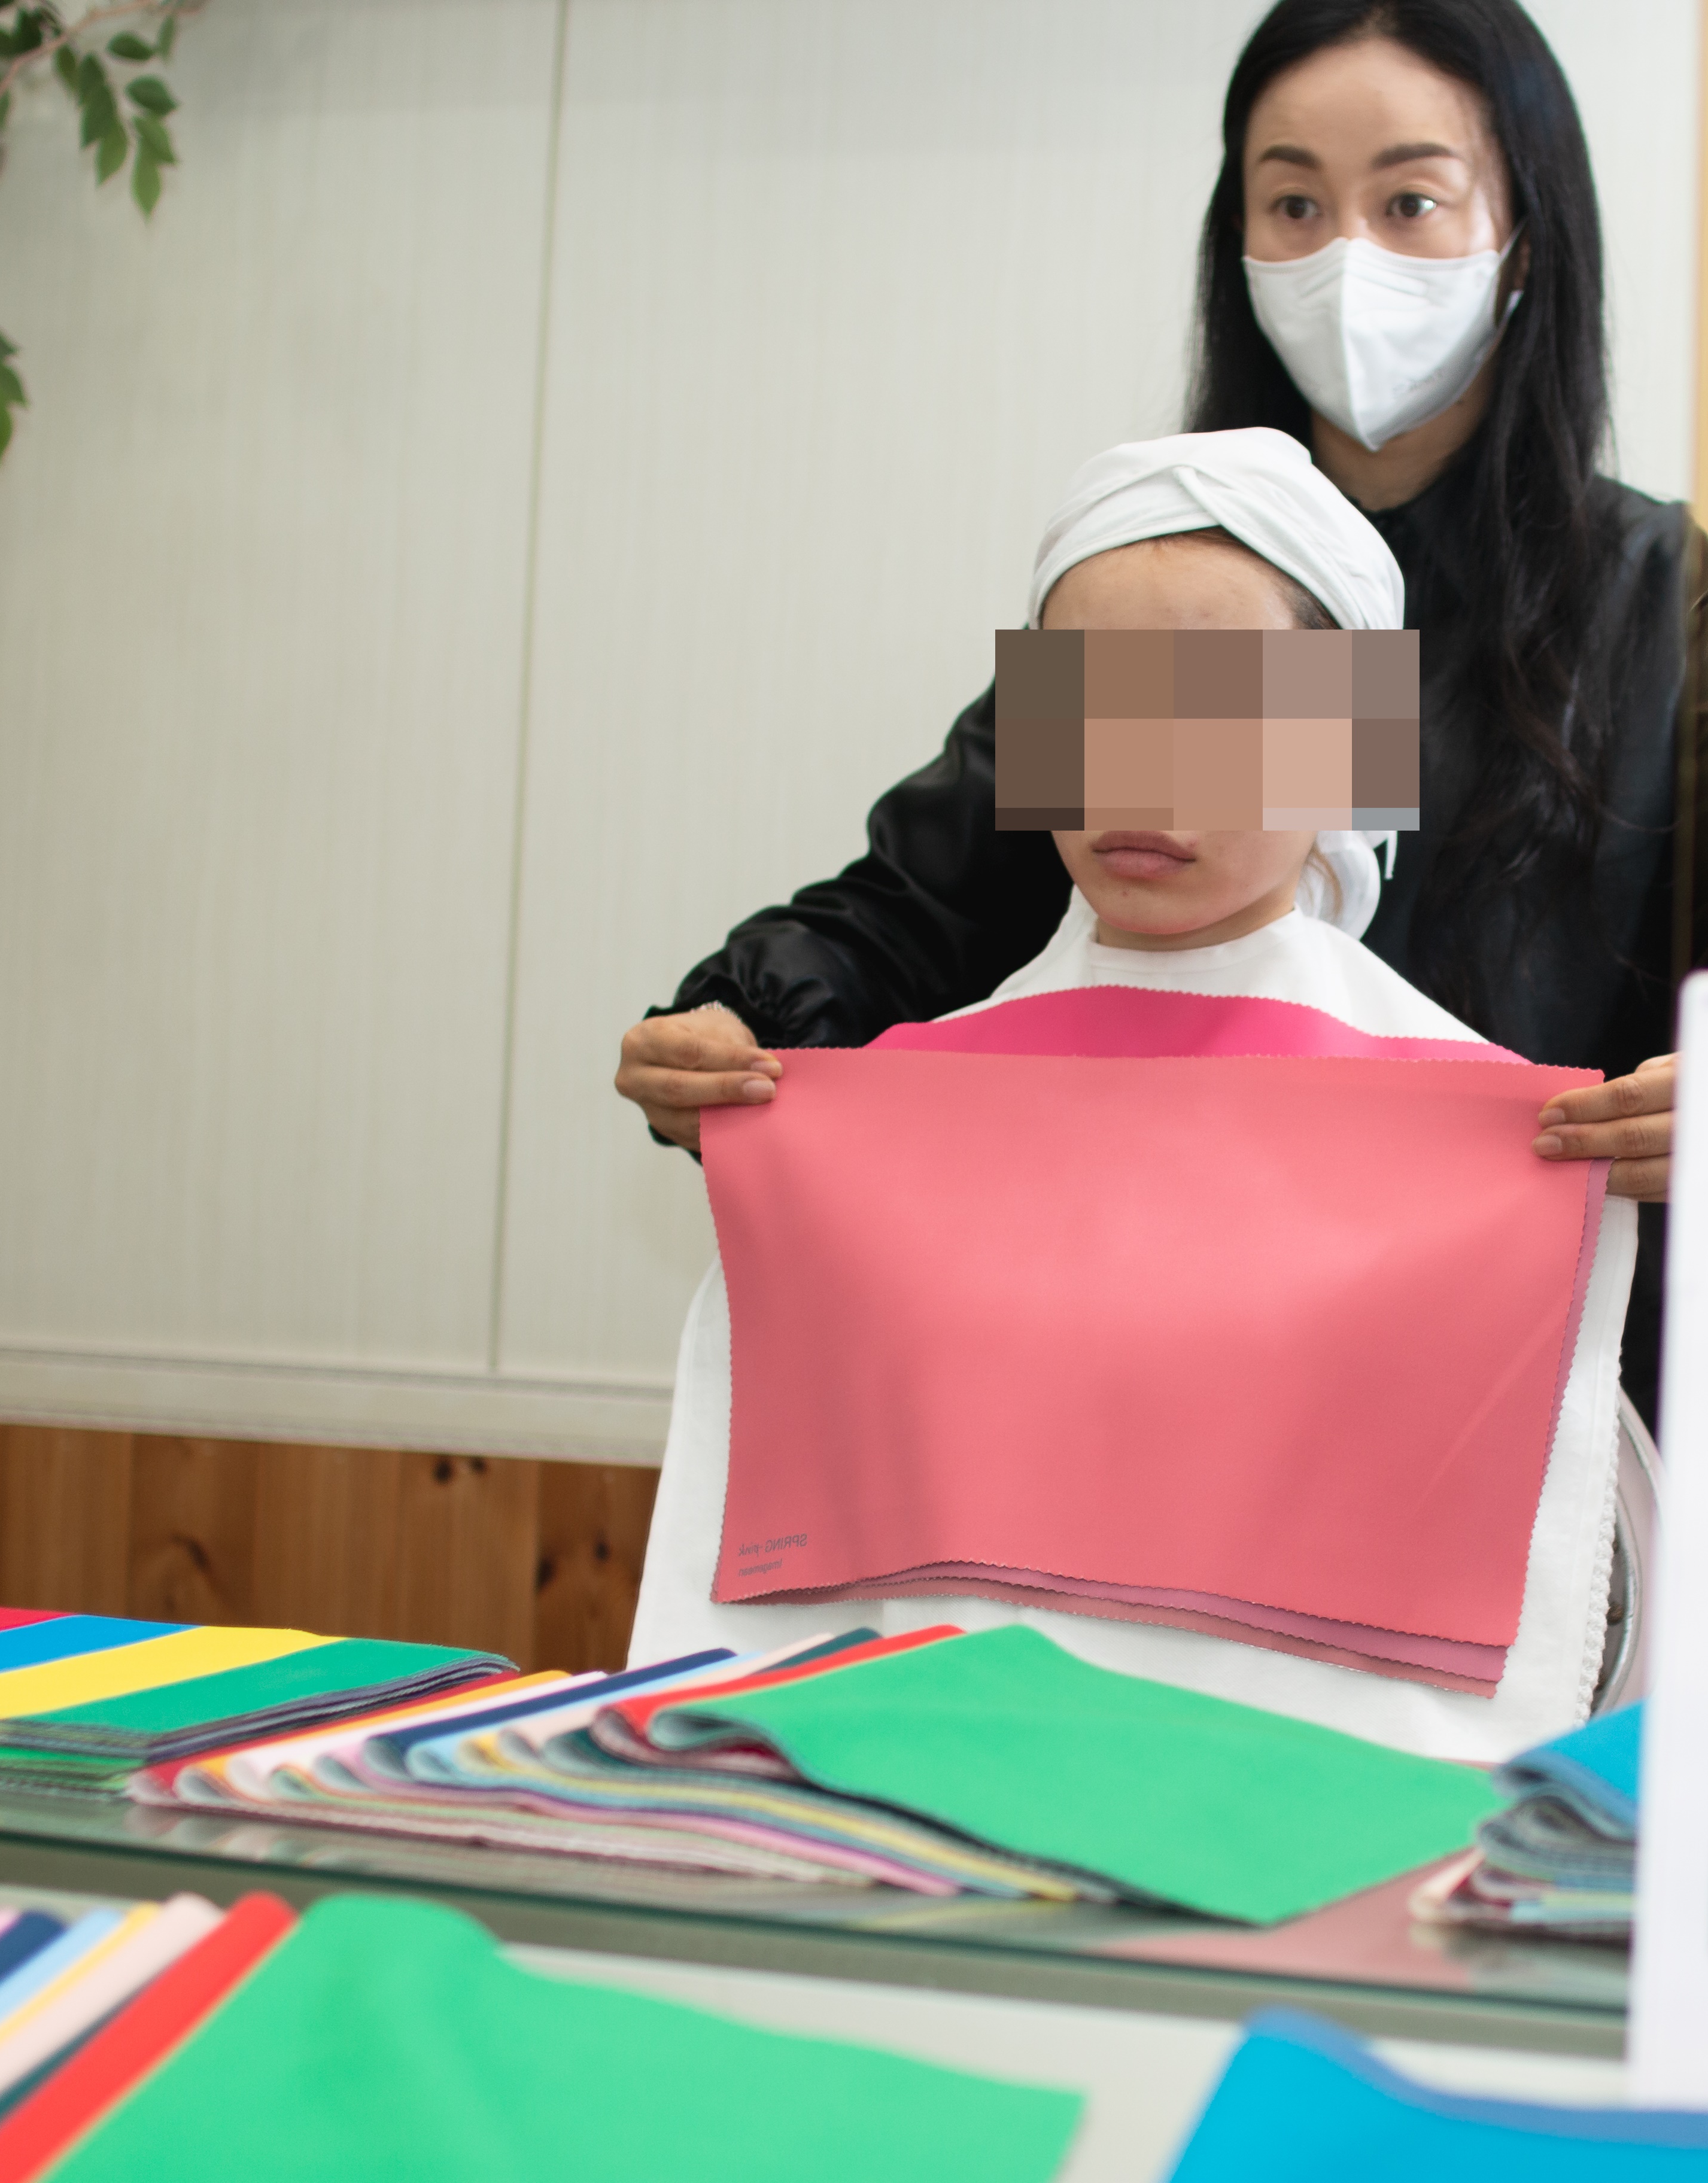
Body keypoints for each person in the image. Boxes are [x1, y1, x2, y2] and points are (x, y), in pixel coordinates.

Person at [616, 0, 1708, 1419]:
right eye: (1293, 203)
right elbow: (918, 910)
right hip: (1171, 1356)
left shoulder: (1641, 585)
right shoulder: (1166, 567)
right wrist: (735, 1020)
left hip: (1497, 1376)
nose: (1346, 253)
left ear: (1525, 235)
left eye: (1410, 201)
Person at [628, 430, 1636, 1761]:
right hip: (926, 1808)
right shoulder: (896, 1107)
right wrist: (736, 1070)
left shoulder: (1509, 1136)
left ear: (1348, 741)